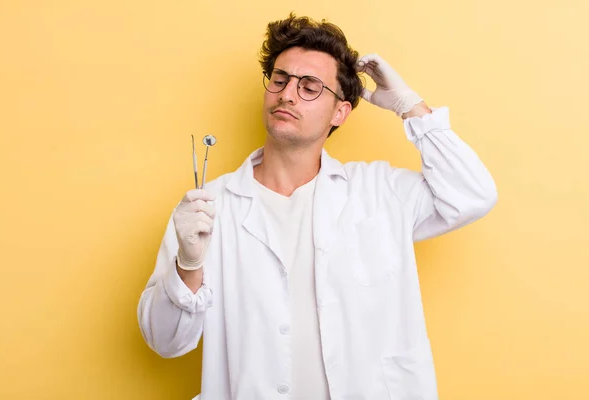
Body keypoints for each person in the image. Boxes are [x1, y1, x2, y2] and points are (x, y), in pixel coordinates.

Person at [137, 13, 497, 400]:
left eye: (310, 86)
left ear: (340, 111)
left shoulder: (379, 193)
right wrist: (188, 266)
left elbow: (473, 193)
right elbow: (165, 341)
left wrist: (411, 107)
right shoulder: (208, 209)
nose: (287, 94)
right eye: (280, 80)